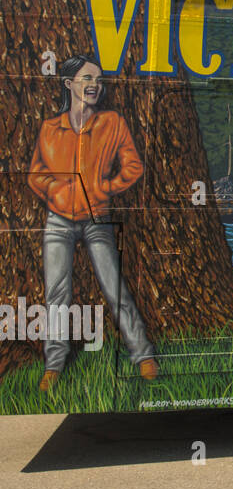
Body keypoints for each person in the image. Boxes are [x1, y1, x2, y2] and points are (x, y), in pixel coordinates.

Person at [26, 56, 158, 390]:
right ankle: (53, 365)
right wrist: (54, 189)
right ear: (69, 84)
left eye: (97, 80)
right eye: (86, 78)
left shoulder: (112, 123)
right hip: (58, 221)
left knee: (115, 288)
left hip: (97, 218)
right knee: (57, 294)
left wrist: (105, 188)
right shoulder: (49, 129)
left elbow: (133, 167)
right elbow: (35, 175)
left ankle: (143, 356)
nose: (94, 85)